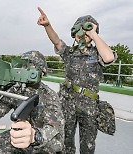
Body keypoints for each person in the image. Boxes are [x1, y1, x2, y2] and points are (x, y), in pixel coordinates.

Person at [37, 7, 117, 154]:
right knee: (66, 141)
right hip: (67, 102)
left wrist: (92, 33)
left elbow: (109, 57)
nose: (82, 34)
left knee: (88, 145)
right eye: (79, 31)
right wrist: (47, 25)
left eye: (86, 31)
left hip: (89, 106)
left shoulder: (97, 52)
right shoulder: (70, 53)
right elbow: (57, 42)